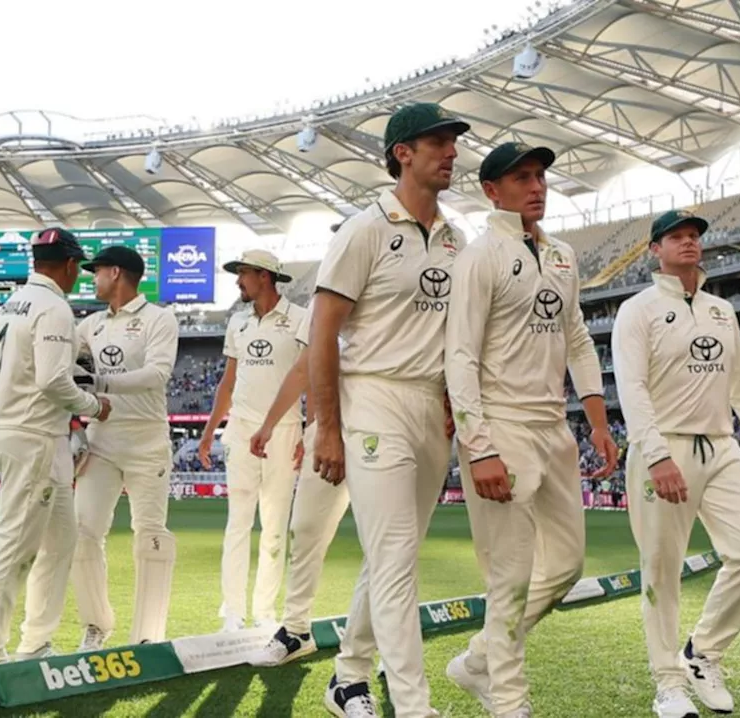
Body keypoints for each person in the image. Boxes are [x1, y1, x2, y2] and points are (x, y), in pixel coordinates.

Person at [443, 142, 619, 718]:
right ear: (492, 191)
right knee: (510, 577)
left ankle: (476, 660)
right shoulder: (479, 256)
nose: (537, 186)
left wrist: (596, 421)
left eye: (541, 176)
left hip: (555, 427)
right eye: (522, 178)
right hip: (502, 426)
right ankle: (510, 703)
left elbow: (577, 339)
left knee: (565, 566)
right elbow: (460, 356)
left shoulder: (563, 255)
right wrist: (480, 446)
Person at [310, 102, 468, 718]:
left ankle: (348, 677)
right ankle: (412, 704)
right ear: (403, 152)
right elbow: (323, 332)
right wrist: (327, 427)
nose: (451, 152)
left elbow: (459, 333)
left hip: (433, 407)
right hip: (373, 397)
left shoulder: (457, 239)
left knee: (391, 554)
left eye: (453, 143)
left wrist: (457, 398)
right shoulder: (365, 228)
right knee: (397, 555)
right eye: (438, 142)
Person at [611, 210, 740, 718]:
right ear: (655, 249)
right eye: (676, 237)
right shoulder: (637, 310)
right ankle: (667, 684)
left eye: (694, 237)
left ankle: (702, 654)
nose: (688, 243)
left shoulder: (721, 311)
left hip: (721, 444)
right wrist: (657, 453)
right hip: (662, 447)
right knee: (661, 570)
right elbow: (633, 389)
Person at [0, 228, 111, 665]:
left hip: (34, 433)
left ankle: (36, 641)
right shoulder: (53, 307)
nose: (80, 277)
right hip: (32, 435)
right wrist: (94, 405)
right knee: (14, 544)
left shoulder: (14, 302)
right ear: (69, 265)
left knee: (61, 540)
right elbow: (52, 380)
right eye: (79, 269)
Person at [57, 245, 180, 651]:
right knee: (84, 532)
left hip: (147, 440)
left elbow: (157, 374)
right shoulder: (89, 324)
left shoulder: (159, 319)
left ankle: (148, 632)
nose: (92, 279)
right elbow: (67, 368)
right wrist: (77, 413)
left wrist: (101, 384)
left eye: (97, 273)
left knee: (150, 536)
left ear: (116, 272)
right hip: (101, 439)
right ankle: (97, 624)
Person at [199, 249, 307, 631]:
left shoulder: (300, 319)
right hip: (241, 429)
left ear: (265, 276)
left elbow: (312, 374)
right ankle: (232, 610)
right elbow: (228, 383)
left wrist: (308, 431)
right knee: (237, 523)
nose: (237, 281)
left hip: (285, 429)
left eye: (242, 273)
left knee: (275, 527)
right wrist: (210, 431)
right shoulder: (238, 323)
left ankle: (265, 612)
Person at [248, 298, 352, 667]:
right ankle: (296, 630)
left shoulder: (405, 274)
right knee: (305, 528)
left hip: (388, 424)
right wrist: (269, 424)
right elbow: (302, 369)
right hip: (328, 429)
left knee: (389, 545)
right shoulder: (325, 296)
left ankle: (387, 645)